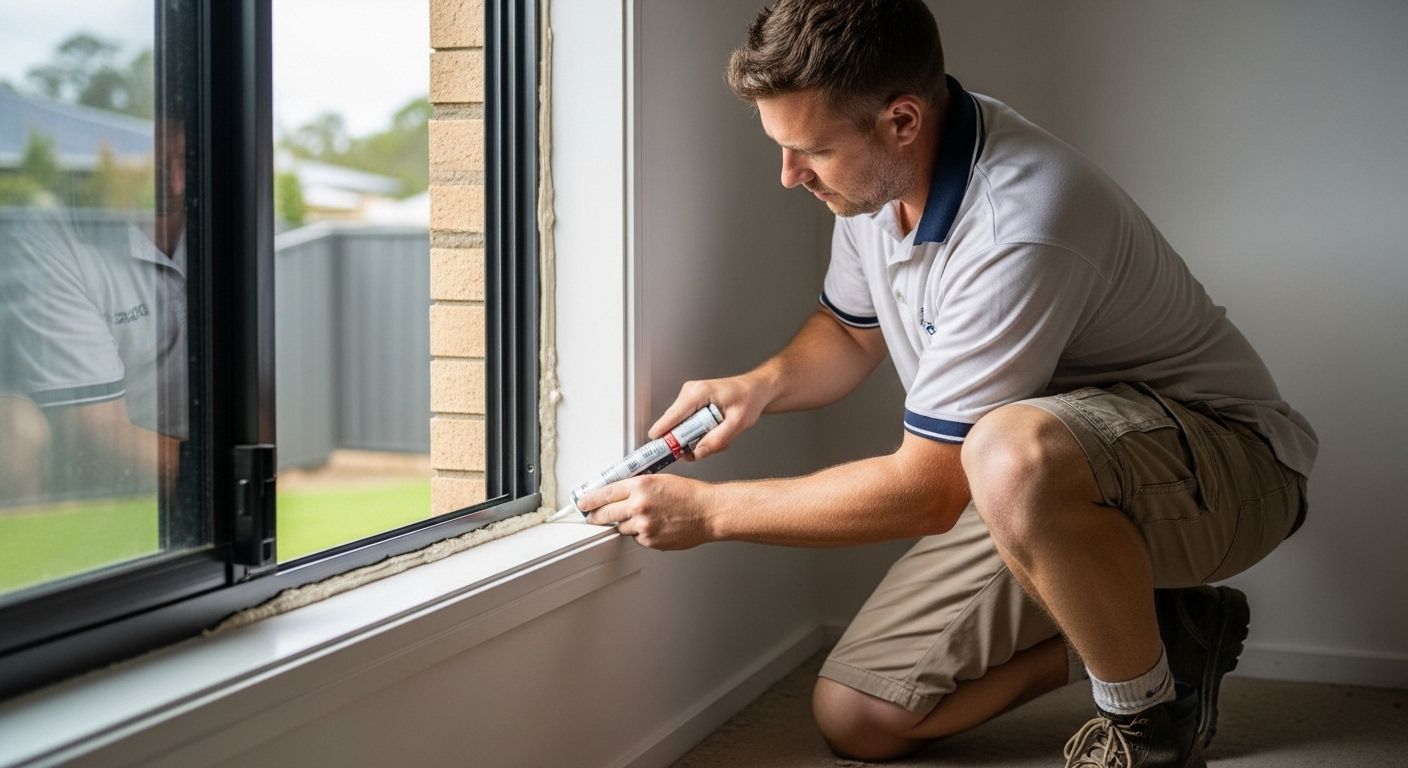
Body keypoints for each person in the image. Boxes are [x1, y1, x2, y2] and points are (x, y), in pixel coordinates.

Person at [575, 1, 1318, 766]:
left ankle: (1145, 725)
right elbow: (848, 332)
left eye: (811, 152)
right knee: (860, 716)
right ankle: (1168, 641)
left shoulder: (1019, 218)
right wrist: (758, 386)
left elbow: (927, 492)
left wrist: (712, 512)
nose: (790, 175)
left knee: (1003, 449)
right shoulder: (873, 182)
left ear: (900, 120)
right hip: (1044, 487)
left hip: (1229, 468)